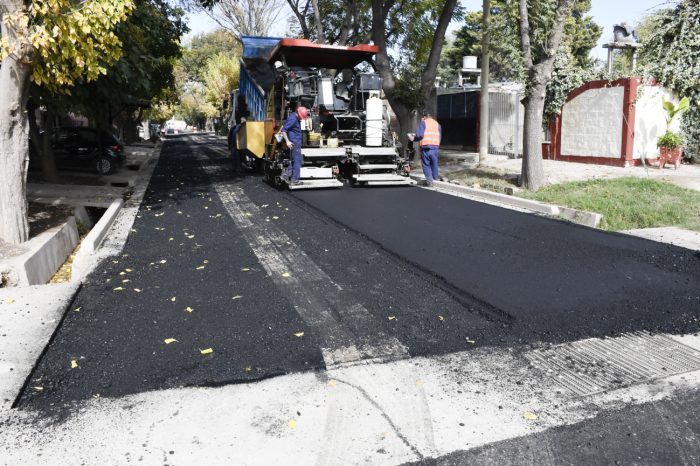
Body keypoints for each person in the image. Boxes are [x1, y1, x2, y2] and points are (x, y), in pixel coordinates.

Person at [278, 106, 307, 185]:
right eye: (301, 117)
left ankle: (285, 175)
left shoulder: (293, 115)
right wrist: (287, 141)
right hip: (295, 142)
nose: (301, 119)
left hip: (295, 141)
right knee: (297, 161)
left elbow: (284, 125)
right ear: (298, 114)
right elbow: (284, 131)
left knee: (296, 160)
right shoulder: (293, 119)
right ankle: (295, 180)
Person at [413, 110, 441, 187]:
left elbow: (420, 135)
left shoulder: (423, 123)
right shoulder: (437, 124)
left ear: (424, 117)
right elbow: (439, 136)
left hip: (426, 148)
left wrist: (414, 139)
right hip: (435, 148)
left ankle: (429, 181)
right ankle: (435, 179)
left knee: (426, 165)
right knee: (434, 164)